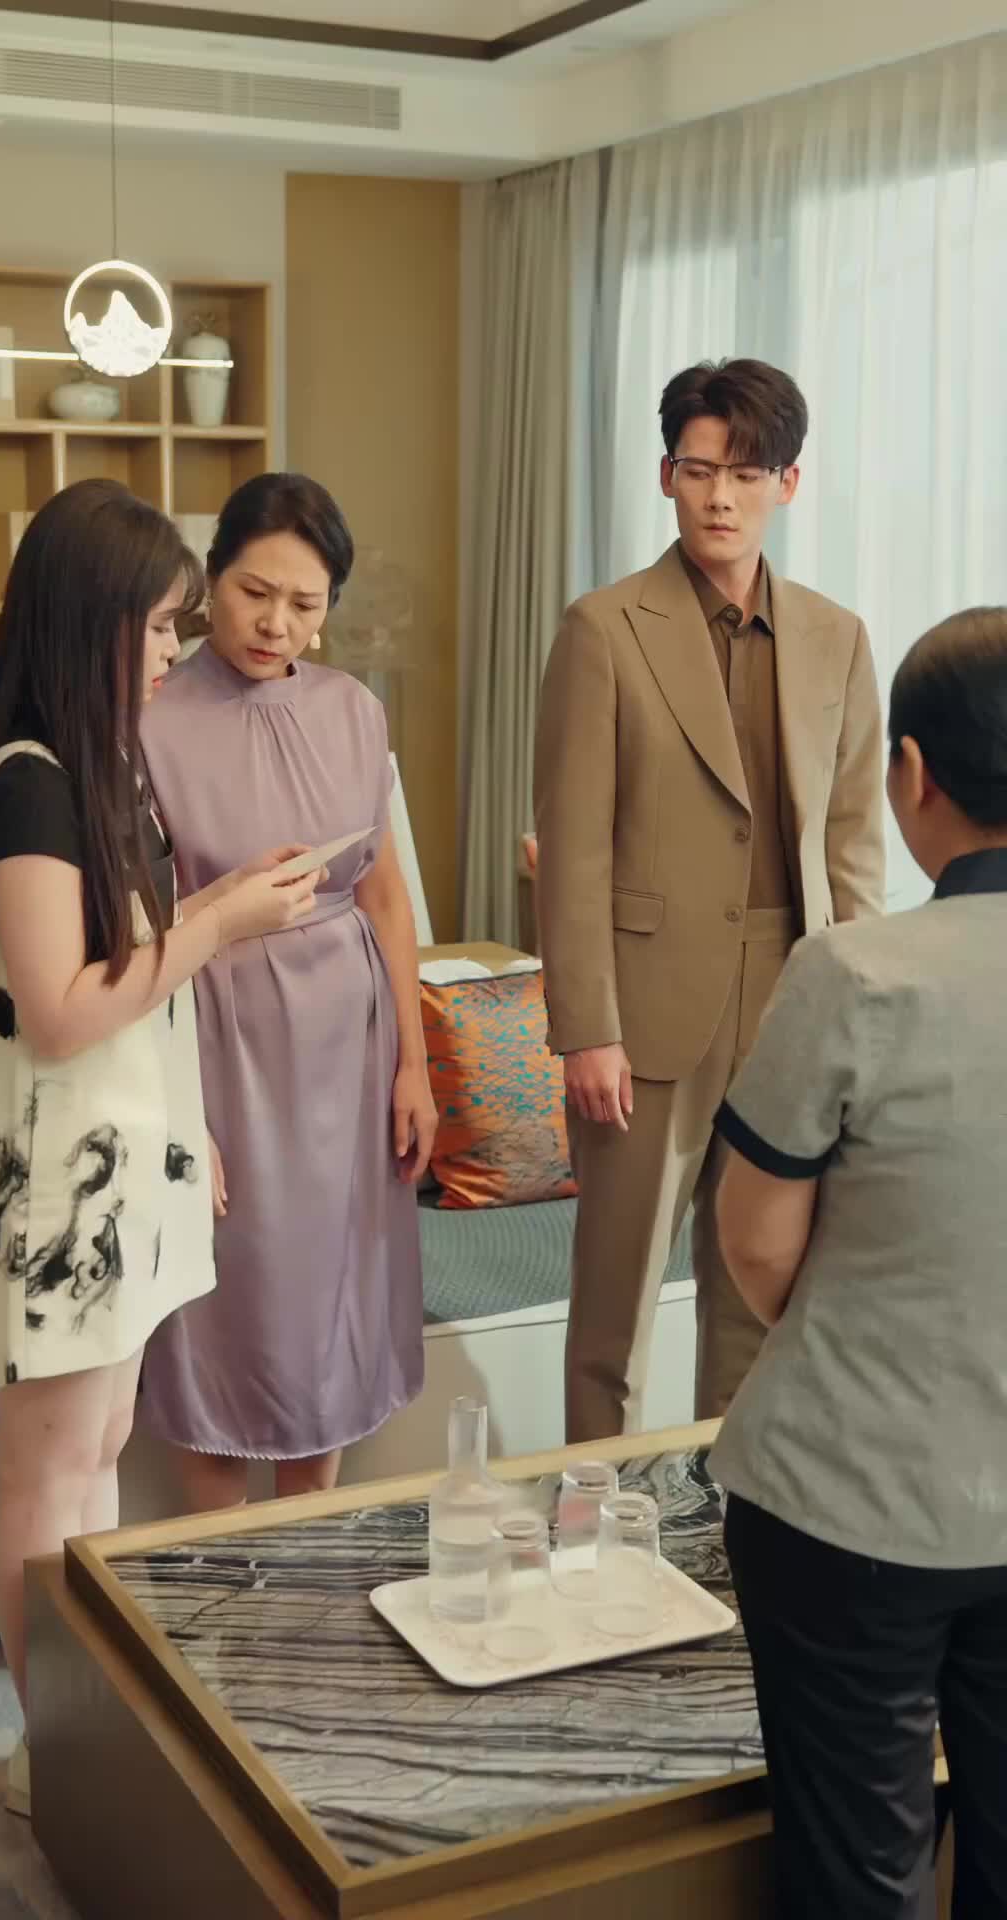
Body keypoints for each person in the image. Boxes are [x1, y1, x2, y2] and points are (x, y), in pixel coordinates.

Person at [0, 478, 321, 1818]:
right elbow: (60, 1011)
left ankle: (79, 1742)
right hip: (56, 1189)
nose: (173, 649)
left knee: (94, 1461)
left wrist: (189, 1133)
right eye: (157, 626)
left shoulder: (95, 765)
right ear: (89, 620)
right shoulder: (29, 782)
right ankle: (53, 1755)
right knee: (52, 1478)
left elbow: (134, 988)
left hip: (115, 1168)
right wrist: (219, 923)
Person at [712, 607, 1007, 1920]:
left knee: (860, 1880)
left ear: (911, 773)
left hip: (854, 1507)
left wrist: (866, 1322)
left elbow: (757, 1242)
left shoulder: (854, 971)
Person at [533, 357, 884, 1440]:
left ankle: (735, 1520)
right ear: (665, 477)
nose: (720, 497)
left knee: (759, 1298)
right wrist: (586, 1028)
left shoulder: (837, 637)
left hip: (793, 1002)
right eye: (698, 471)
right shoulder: (603, 629)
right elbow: (574, 849)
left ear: (788, 482)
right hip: (644, 1015)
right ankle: (592, 1518)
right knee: (614, 1316)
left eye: (746, 473)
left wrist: (863, 1023)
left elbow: (853, 845)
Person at [138, 472, 434, 1509]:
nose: (277, 625)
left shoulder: (353, 710)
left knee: (330, 1320)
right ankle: (219, 1571)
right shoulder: (152, 716)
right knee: (225, 1313)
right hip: (216, 1047)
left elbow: (385, 895)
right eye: (255, 593)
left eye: (305, 605)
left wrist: (415, 1064)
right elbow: (130, 932)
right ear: (210, 579)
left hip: (348, 1058)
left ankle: (308, 1554)